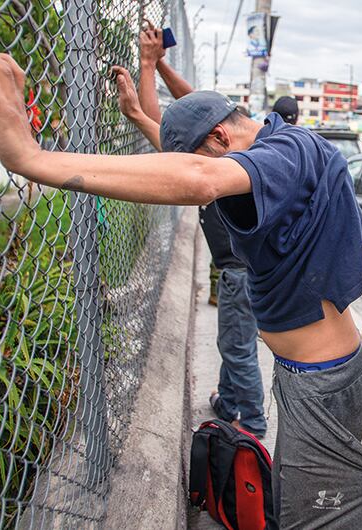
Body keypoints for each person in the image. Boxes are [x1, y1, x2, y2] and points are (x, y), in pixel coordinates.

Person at [0, 41, 362, 527]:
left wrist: (32, 158)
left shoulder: (283, 155)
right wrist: (140, 111)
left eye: (207, 153)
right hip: (309, 372)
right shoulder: (276, 145)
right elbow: (192, 156)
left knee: (313, 519)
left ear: (221, 139)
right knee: (293, 502)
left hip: (321, 381)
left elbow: (200, 175)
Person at [110, 26, 267, 436]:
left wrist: (147, 67)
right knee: (233, 343)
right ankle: (229, 402)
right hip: (246, 270)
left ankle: (252, 427)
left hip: (240, 274)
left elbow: (171, 140)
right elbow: (195, 113)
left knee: (237, 348)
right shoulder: (242, 150)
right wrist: (158, 63)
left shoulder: (219, 167)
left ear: (216, 136)